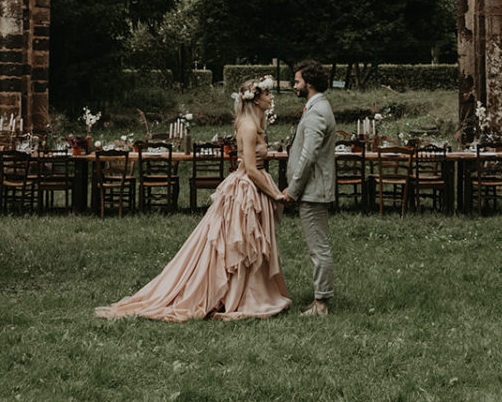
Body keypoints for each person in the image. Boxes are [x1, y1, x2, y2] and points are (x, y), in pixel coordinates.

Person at [95, 77, 290, 321]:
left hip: (251, 186)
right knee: (240, 242)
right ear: (257, 99)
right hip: (247, 188)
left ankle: (248, 291)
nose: (272, 98)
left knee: (247, 242)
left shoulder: (253, 124)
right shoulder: (249, 127)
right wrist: (275, 194)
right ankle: (237, 294)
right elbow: (250, 168)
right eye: (268, 94)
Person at [285, 59, 336, 316]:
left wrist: (293, 190)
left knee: (318, 247)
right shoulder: (316, 106)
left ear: (310, 83)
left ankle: (322, 303)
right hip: (313, 188)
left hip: (313, 189)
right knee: (317, 245)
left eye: (297, 81)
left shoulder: (317, 111)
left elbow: (308, 155)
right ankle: (319, 299)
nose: (295, 86)